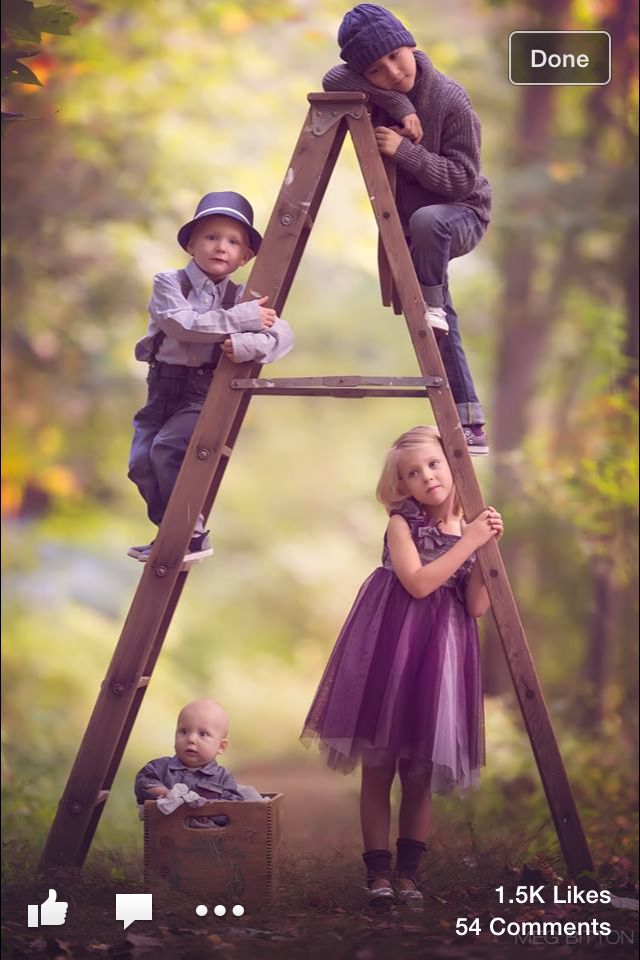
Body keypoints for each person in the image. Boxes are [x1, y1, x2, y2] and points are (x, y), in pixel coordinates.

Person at [301, 426, 503, 903]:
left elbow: (474, 606)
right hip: (393, 649)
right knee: (379, 766)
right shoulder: (402, 524)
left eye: (434, 465)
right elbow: (417, 583)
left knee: (418, 772)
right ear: (402, 485)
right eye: (413, 473)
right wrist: (469, 540)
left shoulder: (469, 528)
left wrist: (488, 547)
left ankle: (410, 876)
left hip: (442, 656)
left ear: (453, 466)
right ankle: (378, 877)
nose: (426, 476)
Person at [323, 5, 492, 455]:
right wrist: (396, 104)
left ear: (411, 44)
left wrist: (403, 150)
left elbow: (463, 180)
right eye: (376, 71)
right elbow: (332, 80)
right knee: (440, 319)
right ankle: (470, 421)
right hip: (417, 229)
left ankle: (432, 303)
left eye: (397, 56)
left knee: (428, 227)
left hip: (462, 212)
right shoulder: (381, 93)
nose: (393, 72)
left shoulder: (450, 100)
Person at [127, 191, 294, 562]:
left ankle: (191, 533)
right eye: (211, 237)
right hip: (162, 385)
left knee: (168, 448)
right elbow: (183, 325)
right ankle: (172, 534)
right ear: (191, 243)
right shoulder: (169, 283)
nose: (221, 247)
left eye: (233, 242)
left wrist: (247, 345)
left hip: (203, 390)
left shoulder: (241, 296)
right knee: (141, 462)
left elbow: (283, 335)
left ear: (245, 257)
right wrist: (241, 320)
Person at [135, 699, 262, 826]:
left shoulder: (223, 778)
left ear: (221, 746)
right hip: (169, 835)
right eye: (183, 731)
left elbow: (234, 809)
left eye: (203, 734)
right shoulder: (161, 767)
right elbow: (143, 781)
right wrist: (164, 793)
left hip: (209, 835)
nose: (190, 739)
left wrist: (206, 808)